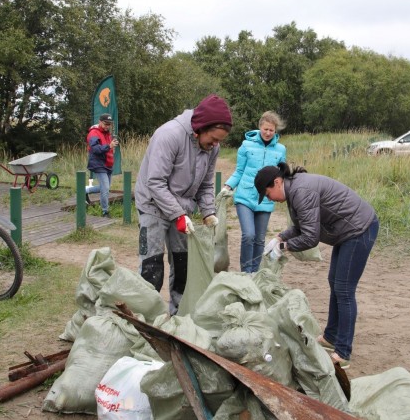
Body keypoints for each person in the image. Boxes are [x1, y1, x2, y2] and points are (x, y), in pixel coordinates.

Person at [255, 162, 379, 369]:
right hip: (345, 230)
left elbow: (310, 237)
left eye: (267, 194)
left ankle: (343, 351)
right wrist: (279, 237)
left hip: (359, 229)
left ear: (277, 182)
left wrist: (284, 246)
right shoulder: (294, 189)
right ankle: (331, 336)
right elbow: (302, 224)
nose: (269, 199)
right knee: (335, 282)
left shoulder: (300, 191)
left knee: (344, 289)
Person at [134, 94, 232, 315]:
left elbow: (206, 184)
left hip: (182, 210)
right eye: (213, 139)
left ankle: (178, 314)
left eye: (219, 141)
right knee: (152, 265)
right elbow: (155, 182)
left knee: (183, 264)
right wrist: (177, 214)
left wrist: (208, 211)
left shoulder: (211, 147)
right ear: (200, 128)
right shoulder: (168, 136)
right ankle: (147, 317)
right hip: (152, 206)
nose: (215, 145)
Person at [222, 111, 287, 273]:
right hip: (245, 196)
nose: (268, 133)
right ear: (260, 127)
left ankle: (256, 272)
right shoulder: (246, 146)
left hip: (266, 199)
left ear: (275, 131)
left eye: (271, 130)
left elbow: (282, 176)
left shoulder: (280, 150)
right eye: (265, 129)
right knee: (249, 235)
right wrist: (228, 186)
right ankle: (246, 272)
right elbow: (239, 171)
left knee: (259, 239)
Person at [85, 113, 118, 217]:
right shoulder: (93, 133)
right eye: (105, 123)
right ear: (100, 122)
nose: (107, 126)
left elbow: (109, 148)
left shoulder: (107, 133)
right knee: (105, 190)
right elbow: (95, 149)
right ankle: (105, 212)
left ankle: (84, 190)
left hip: (108, 163)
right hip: (98, 164)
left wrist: (113, 146)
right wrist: (109, 146)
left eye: (109, 124)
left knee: (105, 188)